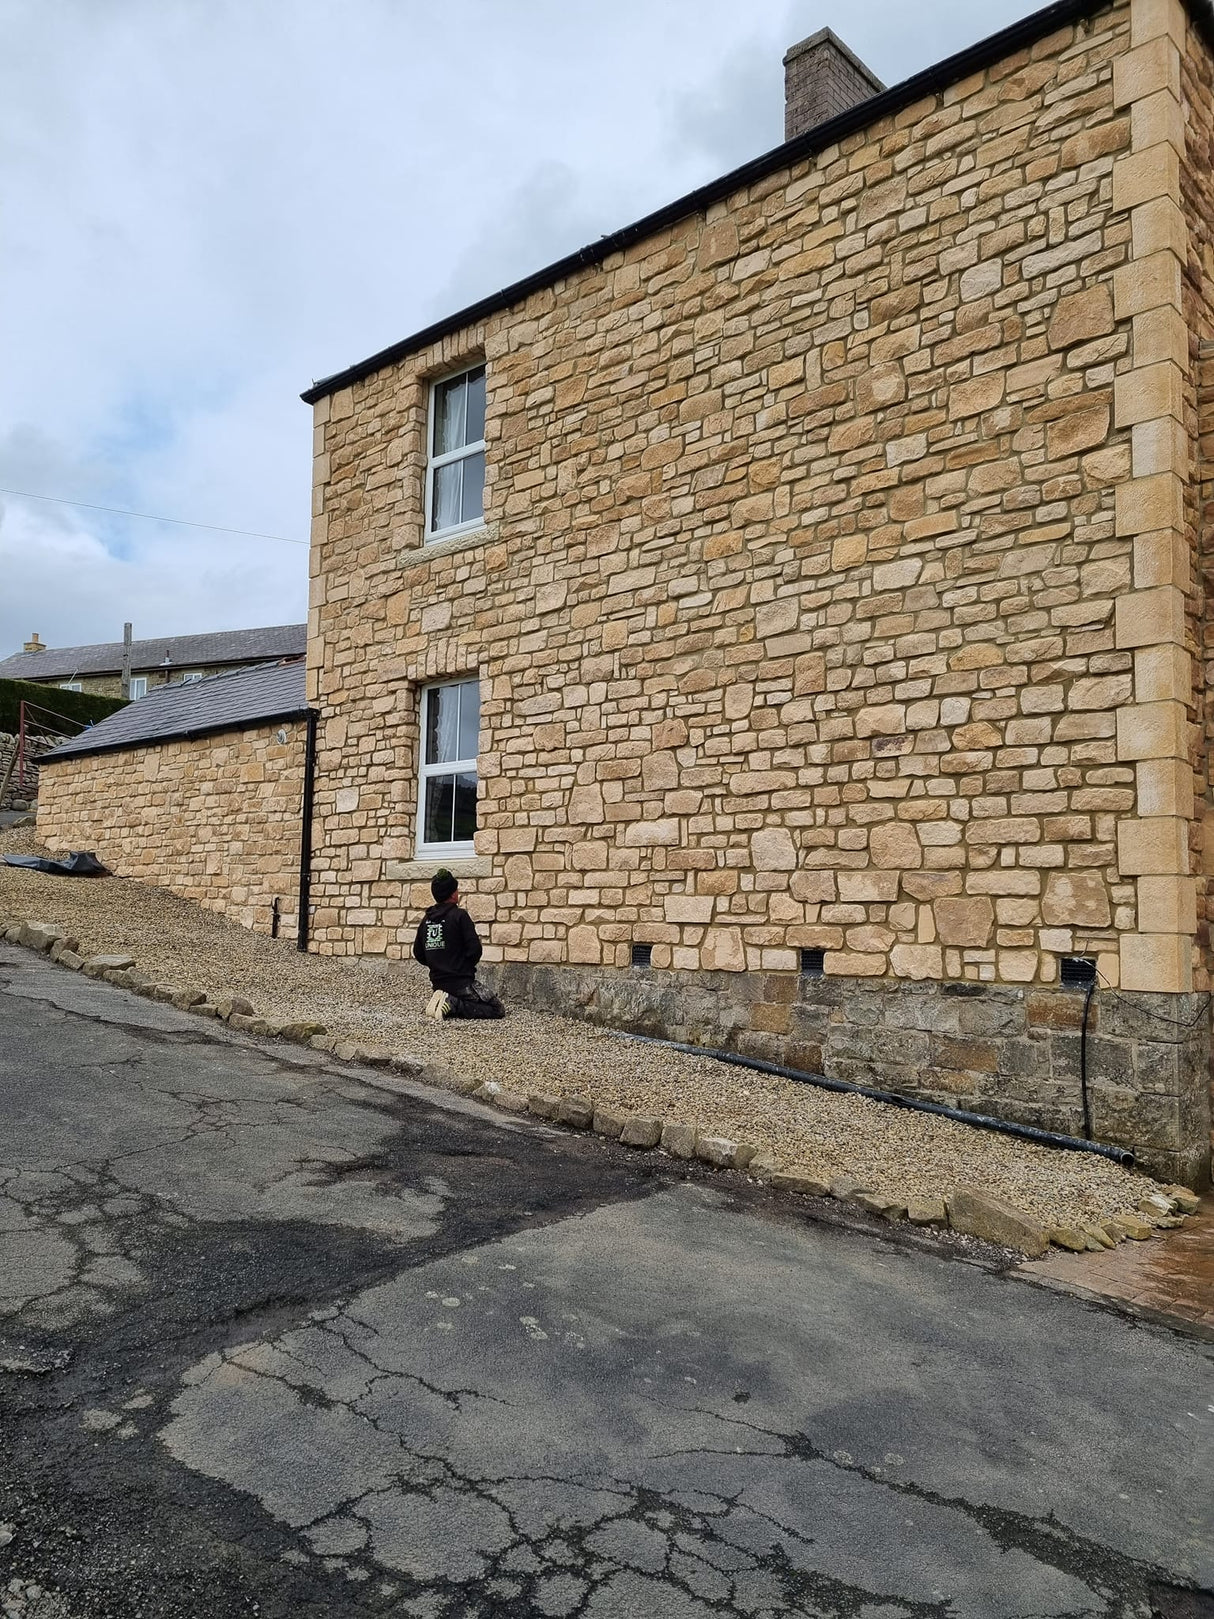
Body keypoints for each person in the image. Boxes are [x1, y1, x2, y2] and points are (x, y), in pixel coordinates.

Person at [412, 869, 506, 1020]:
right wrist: (464, 967)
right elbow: (475, 950)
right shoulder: (459, 916)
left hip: (438, 984)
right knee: (496, 1009)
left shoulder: (426, 920)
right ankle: (453, 1003)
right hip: (461, 983)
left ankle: (443, 1001)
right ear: (453, 894)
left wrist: (436, 964)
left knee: (468, 1001)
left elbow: (418, 953)